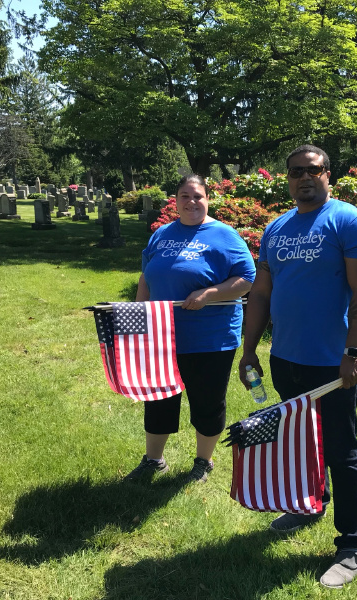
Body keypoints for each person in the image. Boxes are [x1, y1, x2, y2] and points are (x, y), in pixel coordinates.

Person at [239, 145, 357, 588]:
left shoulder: (350, 221)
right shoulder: (276, 229)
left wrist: (353, 353)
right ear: (287, 179)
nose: (304, 177)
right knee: (302, 441)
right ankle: (310, 503)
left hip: (330, 362)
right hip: (286, 358)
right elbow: (261, 294)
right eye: (296, 172)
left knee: (341, 449)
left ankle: (352, 545)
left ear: (328, 175)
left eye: (313, 170)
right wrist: (249, 351)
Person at [129, 174, 256, 483]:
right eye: (184, 196)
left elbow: (247, 278)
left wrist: (209, 294)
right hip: (162, 335)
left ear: (207, 199)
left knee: (207, 401)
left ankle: (204, 461)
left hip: (209, 338)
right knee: (159, 398)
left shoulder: (224, 236)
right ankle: (154, 459)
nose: (191, 202)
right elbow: (147, 277)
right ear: (176, 200)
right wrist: (140, 314)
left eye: (197, 196)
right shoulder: (161, 235)